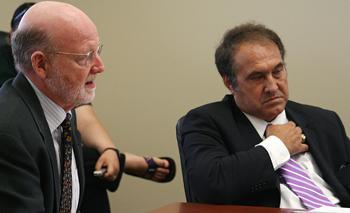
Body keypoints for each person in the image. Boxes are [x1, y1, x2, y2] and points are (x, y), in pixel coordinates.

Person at [180, 23, 350, 209]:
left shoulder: (323, 120)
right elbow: (208, 187)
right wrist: (278, 146)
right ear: (230, 83)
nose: (272, 86)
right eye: (257, 77)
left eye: (277, 71)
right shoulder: (205, 122)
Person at [0, 1, 109, 211]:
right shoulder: (8, 134)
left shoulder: (63, 111)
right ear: (40, 64)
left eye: (98, 51)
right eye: (85, 57)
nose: (99, 66)